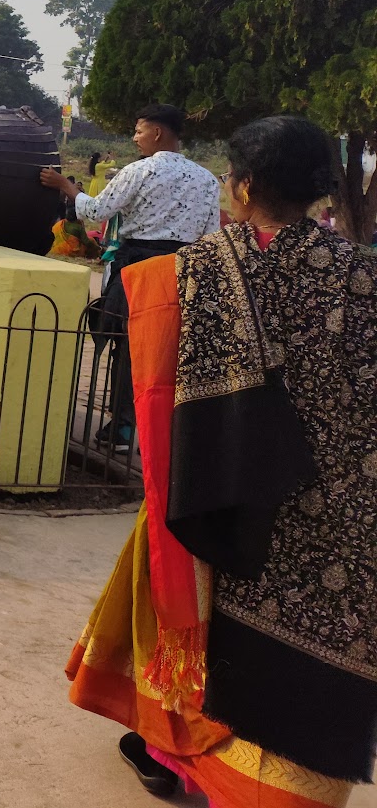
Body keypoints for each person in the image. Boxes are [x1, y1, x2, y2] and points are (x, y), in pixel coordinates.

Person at [65, 115, 377, 806]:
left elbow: (153, 376)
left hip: (218, 493)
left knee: (191, 616)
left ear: (241, 187)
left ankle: (174, 750)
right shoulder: (364, 277)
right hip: (344, 514)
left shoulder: (194, 270)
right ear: (323, 194)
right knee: (310, 664)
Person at [41, 104, 219, 450]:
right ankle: (160, 431)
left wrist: (65, 186)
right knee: (167, 350)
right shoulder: (207, 179)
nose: (135, 138)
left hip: (139, 265)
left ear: (156, 133)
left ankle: (122, 428)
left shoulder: (140, 171)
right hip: (182, 270)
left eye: (139, 131)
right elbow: (209, 234)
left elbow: (96, 211)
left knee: (127, 343)